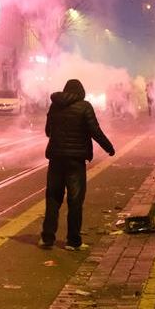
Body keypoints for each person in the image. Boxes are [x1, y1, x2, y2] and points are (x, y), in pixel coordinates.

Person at [40, 79, 115, 252]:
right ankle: (73, 241)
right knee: (75, 201)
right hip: (76, 161)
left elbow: (48, 131)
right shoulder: (85, 107)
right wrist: (109, 148)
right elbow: (95, 131)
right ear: (81, 92)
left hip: (56, 159)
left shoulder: (55, 106)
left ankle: (47, 238)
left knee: (52, 199)